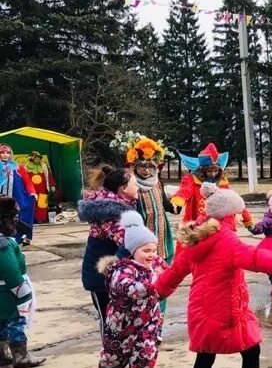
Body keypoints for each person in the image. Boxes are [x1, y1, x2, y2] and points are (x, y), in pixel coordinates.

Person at [155, 183, 272, 368]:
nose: (241, 218)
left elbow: (175, 270)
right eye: (238, 213)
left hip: (229, 306)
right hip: (214, 308)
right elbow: (253, 257)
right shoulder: (224, 238)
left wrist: (156, 291)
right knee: (207, 356)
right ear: (228, 214)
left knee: (250, 349)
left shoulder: (199, 234)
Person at [96, 213, 167, 368]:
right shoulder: (122, 269)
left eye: (153, 250)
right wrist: (153, 285)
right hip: (121, 324)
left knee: (146, 353)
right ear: (133, 250)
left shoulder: (156, 265)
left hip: (149, 321)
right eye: (146, 250)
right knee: (113, 357)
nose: (151, 254)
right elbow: (124, 287)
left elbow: (169, 276)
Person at [78, 166, 139, 344]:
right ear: (123, 188)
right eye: (135, 184)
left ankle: (116, 356)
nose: (138, 188)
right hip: (102, 278)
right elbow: (129, 241)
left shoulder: (115, 206)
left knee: (117, 319)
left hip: (109, 276)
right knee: (109, 320)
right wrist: (116, 264)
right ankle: (109, 361)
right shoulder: (113, 213)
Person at [0, 197, 43, 368]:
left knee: (2, 322)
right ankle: (21, 355)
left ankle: (2, 353)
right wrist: (22, 290)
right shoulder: (4, 245)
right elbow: (9, 269)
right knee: (17, 322)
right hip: (9, 293)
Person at [119, 134, 175, 266]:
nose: (147, 170)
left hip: (161, 226)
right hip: (142, 227)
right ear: (135, 166)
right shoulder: (131, 183)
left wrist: (174, 207)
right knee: (144, 257)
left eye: (151, 167)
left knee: (162, 257)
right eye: (142, 166)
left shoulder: (157, 182)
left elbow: (163, 202)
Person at [171, 143, 253, 229]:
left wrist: (248, 221)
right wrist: (179, 200)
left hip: (217, 224)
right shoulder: (192, 179)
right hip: (196, 224)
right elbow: (185, 190)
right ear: (203, 170)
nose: (213, 174)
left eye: (216, 170)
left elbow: (234, 202)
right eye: (209, 171)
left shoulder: (223, 183)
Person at [0, 143, 36, 244]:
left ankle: (18, 239)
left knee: (17, 218)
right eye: (2, 153)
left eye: (7, 153)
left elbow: (28, 182)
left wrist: (32, 192)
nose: (5, 155)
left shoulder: (18, 167)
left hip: (17, 199)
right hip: (1, 201)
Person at [23, 150, 54, 224]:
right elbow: (23, 178)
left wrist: (52, 185)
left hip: (42, 189)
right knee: (31, 203)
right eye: (36, 158)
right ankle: (31, 218)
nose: (37, 159)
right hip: (31, 190)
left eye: (38, 158)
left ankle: (41, 218)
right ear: (32, 158)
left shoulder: (44, 167)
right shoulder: (26, 167)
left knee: (42, 203)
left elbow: (49, 177)